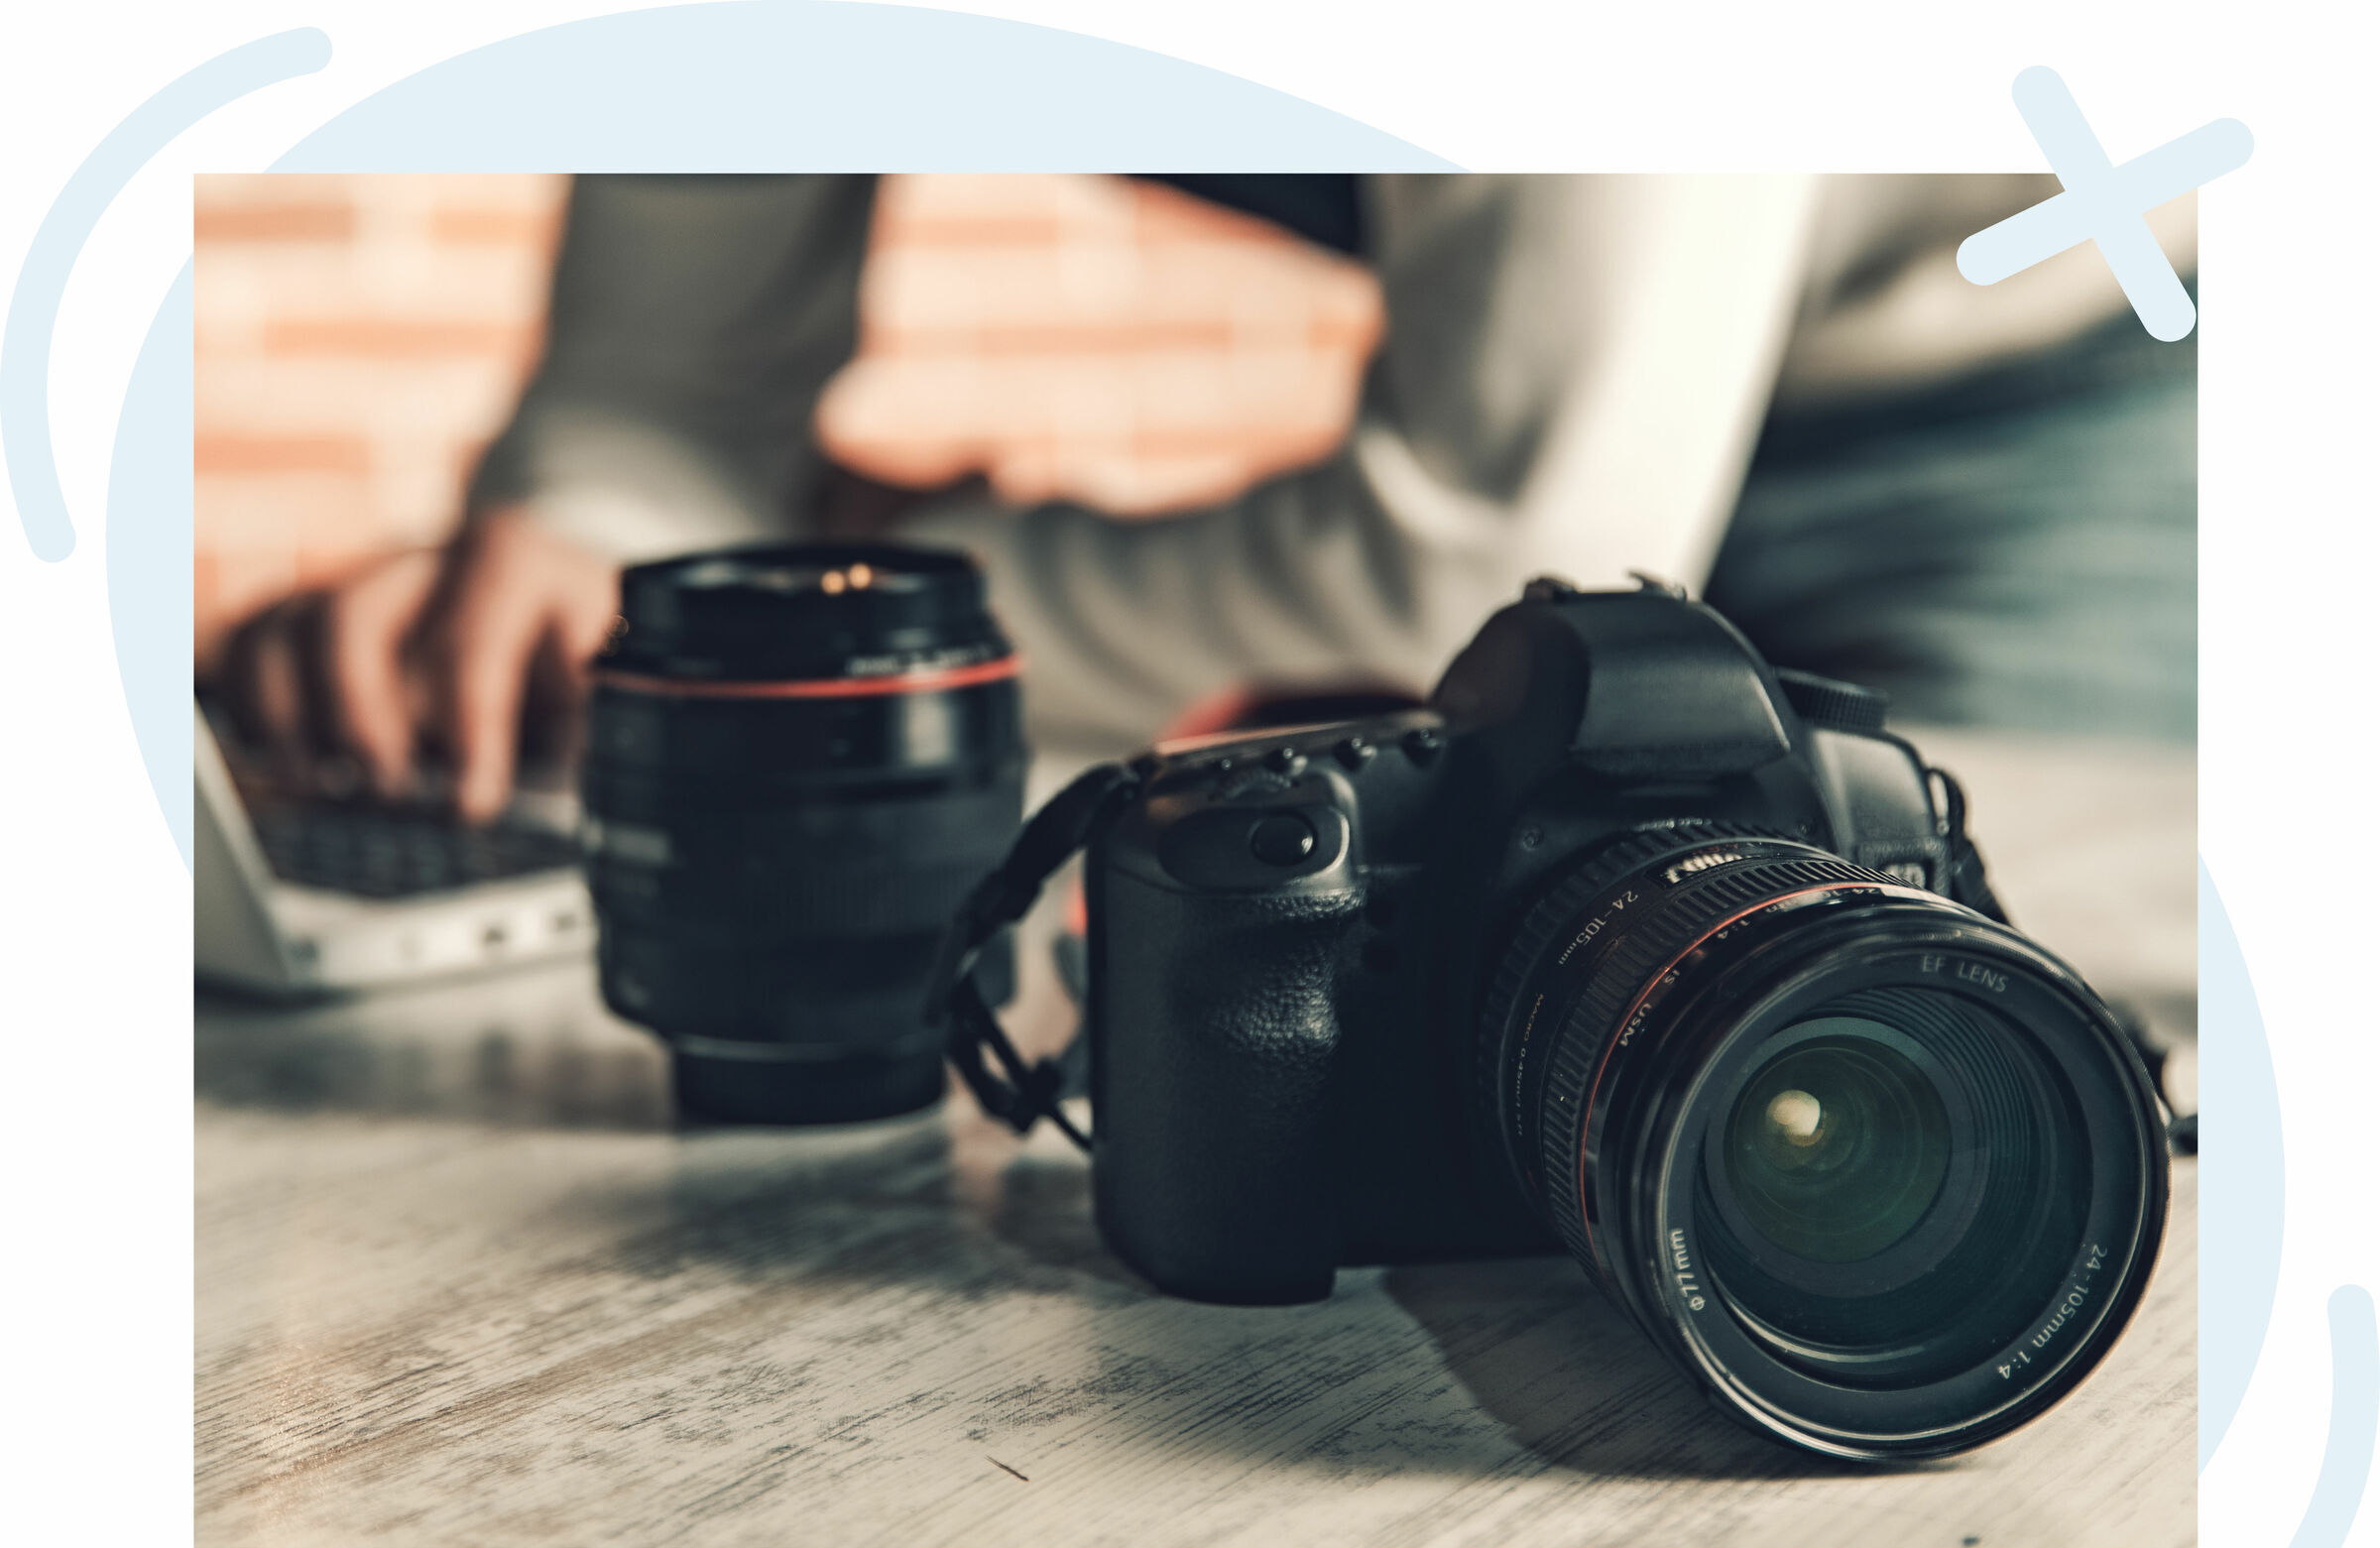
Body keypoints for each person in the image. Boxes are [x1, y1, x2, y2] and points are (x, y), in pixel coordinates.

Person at [211, 174, 2196, 819]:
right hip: (1599, 414)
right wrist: (587, 552)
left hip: (2029, 395)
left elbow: (1480, 579)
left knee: (1974, 1052)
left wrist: (815, 600)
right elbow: (654, 431)